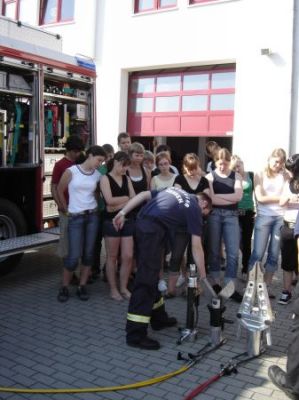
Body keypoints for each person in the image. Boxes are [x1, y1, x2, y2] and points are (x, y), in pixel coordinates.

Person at [113, 187, 212, 350]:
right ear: (203, 203)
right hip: (151, 232)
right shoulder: (194, 207)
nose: (200, 218)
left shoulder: (174, 190)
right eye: (204, 214)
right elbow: (196, 247)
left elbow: (143, 194)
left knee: (152, 276)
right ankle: (135, 335)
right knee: (145, 281)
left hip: (143, 225)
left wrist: (123, 212)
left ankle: (159, 319)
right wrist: (203, 277)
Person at [56, 145, 106, 302]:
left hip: (92, 216)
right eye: (99, 160)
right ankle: (64, 287)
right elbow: (59, 189)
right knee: (73, 256)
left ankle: (82, 286)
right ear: (90, 155)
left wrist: (97, 208)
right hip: (75, 217)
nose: (100, 163)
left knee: (89, 254)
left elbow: (98, 193)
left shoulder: (97, 175)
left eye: (102, 161)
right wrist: (64, 208)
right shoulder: (72, 171)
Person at [167, 153, 210, 296]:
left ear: (198, 166)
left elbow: (206, 201)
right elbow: (176, 200)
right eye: (189, 168)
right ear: (184, 167)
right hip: (180, 225)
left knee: (193, 257)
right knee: (176, 255)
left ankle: (191, 287)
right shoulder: (179, 179)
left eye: (194, 168)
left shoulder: (204, 180)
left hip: (197, 223)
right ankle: (171, 289)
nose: (192, 171)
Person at [248, 148, 288, 297]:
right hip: (264, 217)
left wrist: (285, 197)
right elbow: (260, 197)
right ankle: (252, 286)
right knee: (257, 253)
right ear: (270, 159)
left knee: (273, 254)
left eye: (281, 162)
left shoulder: (285, 175)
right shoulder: (260, 173)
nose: (278, 165)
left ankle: (266, 286)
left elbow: (289, 193)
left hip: (280, 217)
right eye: (276, 161)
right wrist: (282, 199)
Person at [206, 148, 244, 302]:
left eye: (225, 163)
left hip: (232, 216)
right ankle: (216, 283)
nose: (222, 166)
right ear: (215, 162)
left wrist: (218, 196)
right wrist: (228, 198)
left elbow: (238, 196)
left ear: (229, 162)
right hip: (214, 215)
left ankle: (230, 287)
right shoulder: (209, 176)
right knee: (214, 250)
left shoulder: (237, 176)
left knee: (233, 253)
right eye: (219, 163)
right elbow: (211, 200)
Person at [100, 151, 135, 301]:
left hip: (126, 220)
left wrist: (119, 204)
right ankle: (113, 289)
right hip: (110, 221)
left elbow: (134, 199)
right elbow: (109, 202)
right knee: (112, 257)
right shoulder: (104, 178)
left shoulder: (126, 178)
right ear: (115, 162)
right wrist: (126, 199)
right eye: (122, 166)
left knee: (127, 256)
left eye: (126, 167)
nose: (124, 170)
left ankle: (123, 287)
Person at [51, 135, 84, 260]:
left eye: (79, 151)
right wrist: (61, 206)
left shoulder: (80, 162)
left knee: (78, 240)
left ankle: (74, 268)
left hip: (79, 207)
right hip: (66, 208)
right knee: (66, 240)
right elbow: (54, 186)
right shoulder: (60, 165)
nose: (78, 154)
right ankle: (69, 270)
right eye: (75, 151)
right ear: (69, 150)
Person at [150, 151, 176, 294]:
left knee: (177, 250)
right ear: (157, 166)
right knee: (160, 251)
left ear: (169, 163)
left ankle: (180, 276)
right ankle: (160, 279)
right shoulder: (154, 179)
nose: (164, 166)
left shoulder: (177, 178)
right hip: (160, 219)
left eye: (166, 163)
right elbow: (152, 199)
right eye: (160, 164)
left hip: (174, 219)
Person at [92, 143, 115, 280]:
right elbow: (95, 189)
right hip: (100, 209)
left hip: (111, 210)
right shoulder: (99, 170)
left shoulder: (115, 169)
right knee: (96, 241)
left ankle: (108, 269)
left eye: (112, 155)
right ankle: (94, 268)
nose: (110, 158)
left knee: (110, 242)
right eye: (108, 156)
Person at [278, 154, 299, 305]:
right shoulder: (288, 183)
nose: (289, 172)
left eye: (291, 169)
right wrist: (289, 199)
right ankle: (286, 291)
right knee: (287, 262)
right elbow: (281, 202)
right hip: (287, 226)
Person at [230, 155, 255, 279]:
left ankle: (245, 268)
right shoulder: (232, 177)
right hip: (235, 212)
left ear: (243, 164)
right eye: (234, 167)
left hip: (248, 212)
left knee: (246, 242)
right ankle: (233, 268)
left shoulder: (251, 175)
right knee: (236, 241)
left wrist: (258, 212)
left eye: (238, 166)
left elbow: (255, 194)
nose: (237, 169)